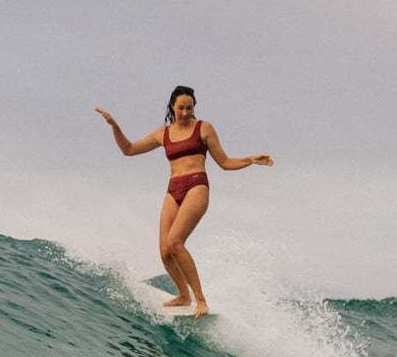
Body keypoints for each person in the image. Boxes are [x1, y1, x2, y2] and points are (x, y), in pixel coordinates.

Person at [95, 85, 273, 317]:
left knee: (175, 242)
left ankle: (200, 300)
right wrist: (115, 127)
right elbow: (128, 150)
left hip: (197, 185)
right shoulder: (163, 133)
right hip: (173, 188)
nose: (186, 112)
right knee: (164, 251)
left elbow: (225, 162)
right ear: (172, 106)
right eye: (181, 108)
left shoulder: (204, 128)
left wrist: (251, 159)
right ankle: (183, 295)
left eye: (190, 108)